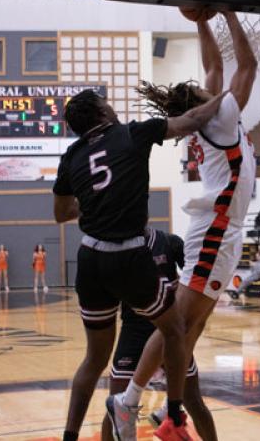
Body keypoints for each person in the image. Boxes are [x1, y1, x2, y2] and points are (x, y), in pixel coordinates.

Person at [107, 8, 257, 441]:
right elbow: (242, 65)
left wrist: (199, 20)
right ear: (198, 101)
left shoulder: (210, 118)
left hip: (222, 228)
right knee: (176, 324)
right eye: (200, 89)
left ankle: (169, 414)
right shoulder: (221, 115)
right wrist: (227, 12)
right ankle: (130, 399)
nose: (206, 82)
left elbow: (214, 66)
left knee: (192, 328)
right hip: (216, 228)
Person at [53, 83, 224, 441]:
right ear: (102, 112)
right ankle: (173, 413)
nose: (113, 108)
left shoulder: (71, 155)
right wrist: (231, 97)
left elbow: (61, 213)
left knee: (93, 359)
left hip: (89, 258)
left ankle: (70, 435)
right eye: (107, 104)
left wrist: (94, 199)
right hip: (126, 256)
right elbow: (190, 121)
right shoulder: (130, 133)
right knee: (174, 328)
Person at [101, 227, 196, 440]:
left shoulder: (170, 243)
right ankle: (164, 413)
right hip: (134, 329)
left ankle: (167, 412)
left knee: (193, 399)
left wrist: (175, 294)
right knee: (115, 407)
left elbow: (192, 282)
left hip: (167, 328)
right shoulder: (117, 247)